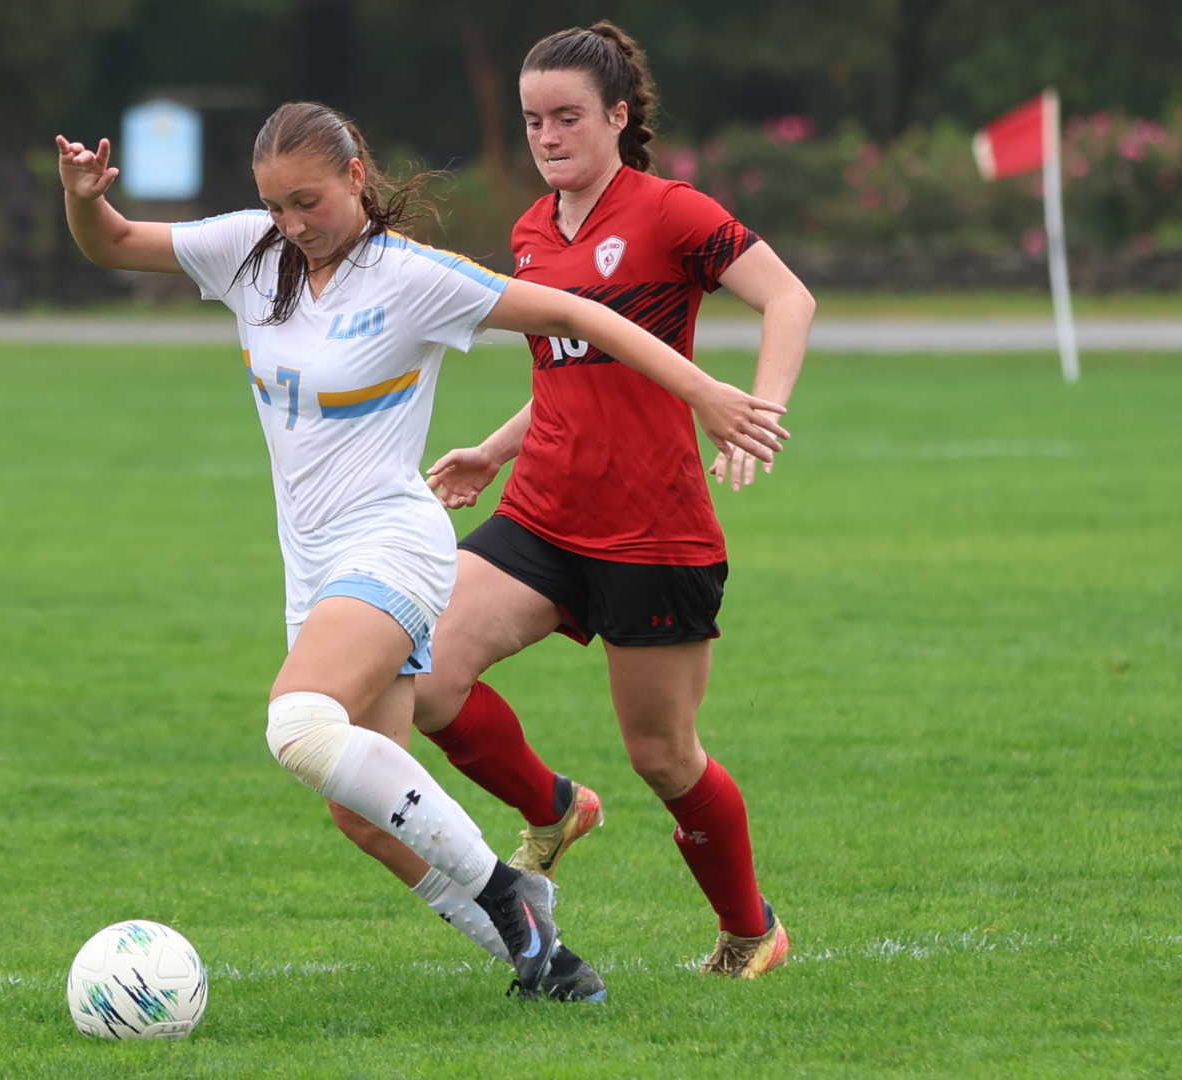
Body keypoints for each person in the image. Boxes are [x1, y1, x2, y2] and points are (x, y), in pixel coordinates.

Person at [56, 100, 786, 999]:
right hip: (313, 565)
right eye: (276, 205)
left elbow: (582, 315)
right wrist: (83, 197)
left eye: (308, 203)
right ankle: (547, 963)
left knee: (297, 724)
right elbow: (113, 242)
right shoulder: (252, 249)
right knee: (362, 816)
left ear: (355, 176)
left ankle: (506, 892)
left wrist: (704, 391)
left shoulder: (413, 276)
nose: (292, 225)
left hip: (393, 545)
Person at [404, 23, 815, 979]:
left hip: (652, 531)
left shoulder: (671, 212)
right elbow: (570, 369)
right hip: (543, 514)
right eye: (532, 121)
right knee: (425, 678)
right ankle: (553, 809)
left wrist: (755, 411)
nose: (547, 137)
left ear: (618, 117)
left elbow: (789, 299)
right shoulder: (531, 233)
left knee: (664, 757)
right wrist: (494, 451)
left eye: (568, 117)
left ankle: (751, 930)